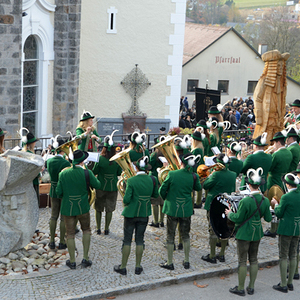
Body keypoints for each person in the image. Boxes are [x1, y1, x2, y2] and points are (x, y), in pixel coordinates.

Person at [225, 168, 272, 296]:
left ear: (249, 185)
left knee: (242, 261)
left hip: (244, 233)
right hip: (256, 232)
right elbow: (268, 218)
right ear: (259, 185)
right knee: (254, 259)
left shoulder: (245, 201)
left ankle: (240, 288)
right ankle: (251, 287)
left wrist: (229, 214)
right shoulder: (265, 200)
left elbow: (238, 218)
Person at [56, 149, 101, 269]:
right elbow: (97, 185)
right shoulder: (87, 173)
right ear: (82, 162)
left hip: (68, 208)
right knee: (86, 230)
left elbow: (58, 192)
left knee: (69, 234)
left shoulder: (63, 174)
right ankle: (85, 258)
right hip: (83, 207)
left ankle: (72, 261)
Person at [114, 156, 158, 275]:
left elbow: (127, 199)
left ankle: (123, 267)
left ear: (136, 168)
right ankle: (138, 267)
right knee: (140, 240)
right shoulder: (152, 179)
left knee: (127, 240)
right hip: (144, 212)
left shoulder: (131, 180)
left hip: (131, 213)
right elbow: (155, 194)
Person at [159, 153, 202, 270]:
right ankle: (186, 261)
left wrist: (167, 199)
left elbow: (162, 190)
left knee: (170, 236)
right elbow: (198, 188)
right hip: (186, 209)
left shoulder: (172, 174)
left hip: (172, 208)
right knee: (186, 235)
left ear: (181, 162)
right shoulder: (193, 176)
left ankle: (169, 262)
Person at [202, 154, 236, 264]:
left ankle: (212, 255)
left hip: (213, 204)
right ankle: (222, 255)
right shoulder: (233, 174)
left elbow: (206, 185)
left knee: (212, 228)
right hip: (226, 204)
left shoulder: (215, 174)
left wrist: (210, 175)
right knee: (224, 228)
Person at [271, 173, 300, 293]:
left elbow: (279, 213)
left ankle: (283, 284)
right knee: (293, 255)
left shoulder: (286, 197)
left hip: (286, 228)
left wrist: (275, 205)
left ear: (287, 184)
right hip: (297, 228)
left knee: (283, 256)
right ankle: (290, 283)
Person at [92, 130, 122, 235]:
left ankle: (98, 228)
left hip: (100, 185)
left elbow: (95, 171)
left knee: (98, 208)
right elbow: (119, 172)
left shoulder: (100, 158)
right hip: (112, 186)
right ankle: (107, 228)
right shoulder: (116, 159)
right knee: (109, 209)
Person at [265, 131, 293, 238]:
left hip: (273, 180)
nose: (273, 145)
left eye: (274, 143)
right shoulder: (289, 152)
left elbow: (270, 168)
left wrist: (270, 155)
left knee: (273, 204)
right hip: (282, 180)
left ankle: (273, 229)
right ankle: (277, 226)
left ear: (277, 142)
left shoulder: (276, 154)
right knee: (279, 201)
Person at [46, 136, 71, 250]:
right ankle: (61, 241)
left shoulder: (49, 161)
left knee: (53, 216)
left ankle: (51, 241)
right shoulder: (65, 163)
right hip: (63, 191)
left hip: (53, 190)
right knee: (62, 217)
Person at [20, 129, 41, 205]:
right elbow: (34, 169)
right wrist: (39, 173)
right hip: (33, 181)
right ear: (32, 143)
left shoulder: (22, 152)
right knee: (34, 203)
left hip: (25, 182)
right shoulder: (31, 155)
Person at [149, 136, 166, 227]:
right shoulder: (167, 153)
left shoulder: (154, 155)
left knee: (155, 202)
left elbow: (150, 166)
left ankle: (155, 221)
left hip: (155, 179)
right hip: (164, 179)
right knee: (162, 201)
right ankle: (162, 221)